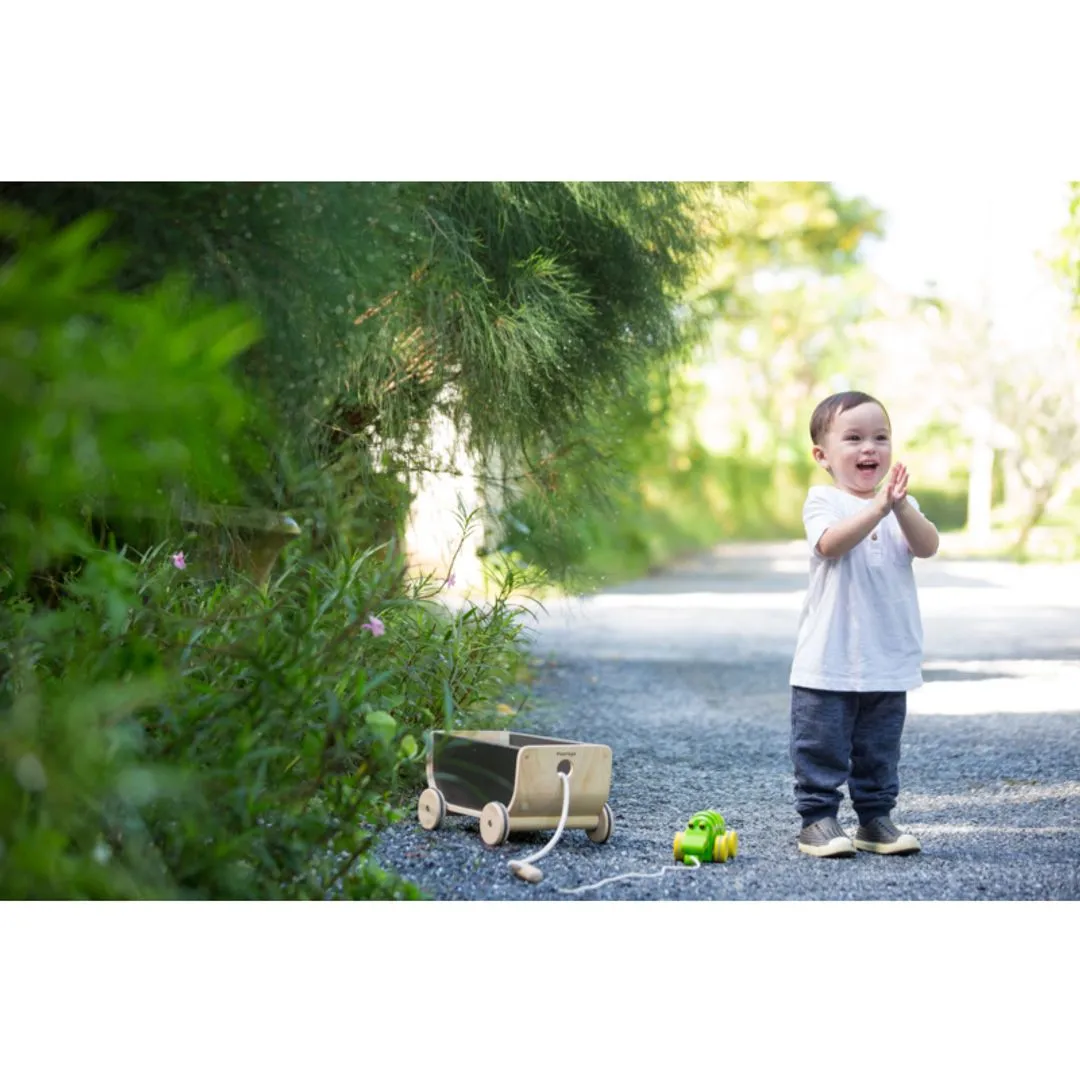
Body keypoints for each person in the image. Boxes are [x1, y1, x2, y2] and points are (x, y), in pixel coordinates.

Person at [789, 390, 940, 857]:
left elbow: (928, 545)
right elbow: (831, 545)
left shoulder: (900, 506)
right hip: (828, 659)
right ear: (823, 456)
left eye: (880, 437)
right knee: (822, 745)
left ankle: (875, 820)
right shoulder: (823, 501)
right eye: (853, 438)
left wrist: (898, 507)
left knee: (879, 750)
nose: (869, 448)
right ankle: (818, 820)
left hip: (887, 658)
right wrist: (878, 508)